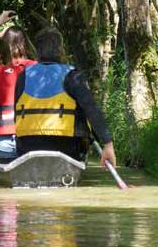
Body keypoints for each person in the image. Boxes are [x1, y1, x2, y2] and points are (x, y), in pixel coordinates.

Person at [14, 28, 117, 168]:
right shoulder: (73, 75)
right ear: (61, 50)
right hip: (66, 145)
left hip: (28, 145)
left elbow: (17, 113)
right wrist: (108, 143)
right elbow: (91, 109)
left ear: (37, 51)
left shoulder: (23, 76)